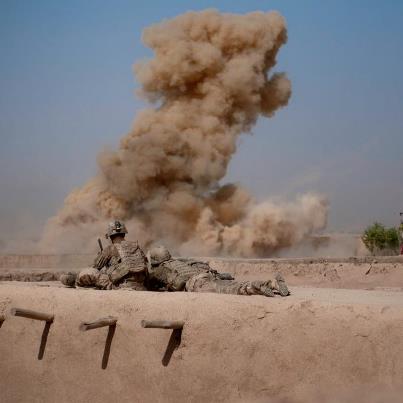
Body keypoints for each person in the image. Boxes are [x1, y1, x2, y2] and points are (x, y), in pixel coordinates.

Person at [146, 245, 289, 297]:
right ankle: (273, 285)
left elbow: (175, 285)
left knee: (232, 290)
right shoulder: (177, 262)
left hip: (197, 283)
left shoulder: (161, 269)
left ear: (155, 260)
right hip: (205, 276)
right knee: (229, 286)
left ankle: (257, 286)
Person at [60, 220, 147, 290]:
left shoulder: (110, 249)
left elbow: (94, 268)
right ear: (124, 234)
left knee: (86, 272)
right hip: (142, 286)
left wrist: (102, 257)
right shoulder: (136, 246)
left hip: (120, 286)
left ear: (110, 236)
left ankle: (72, 281)